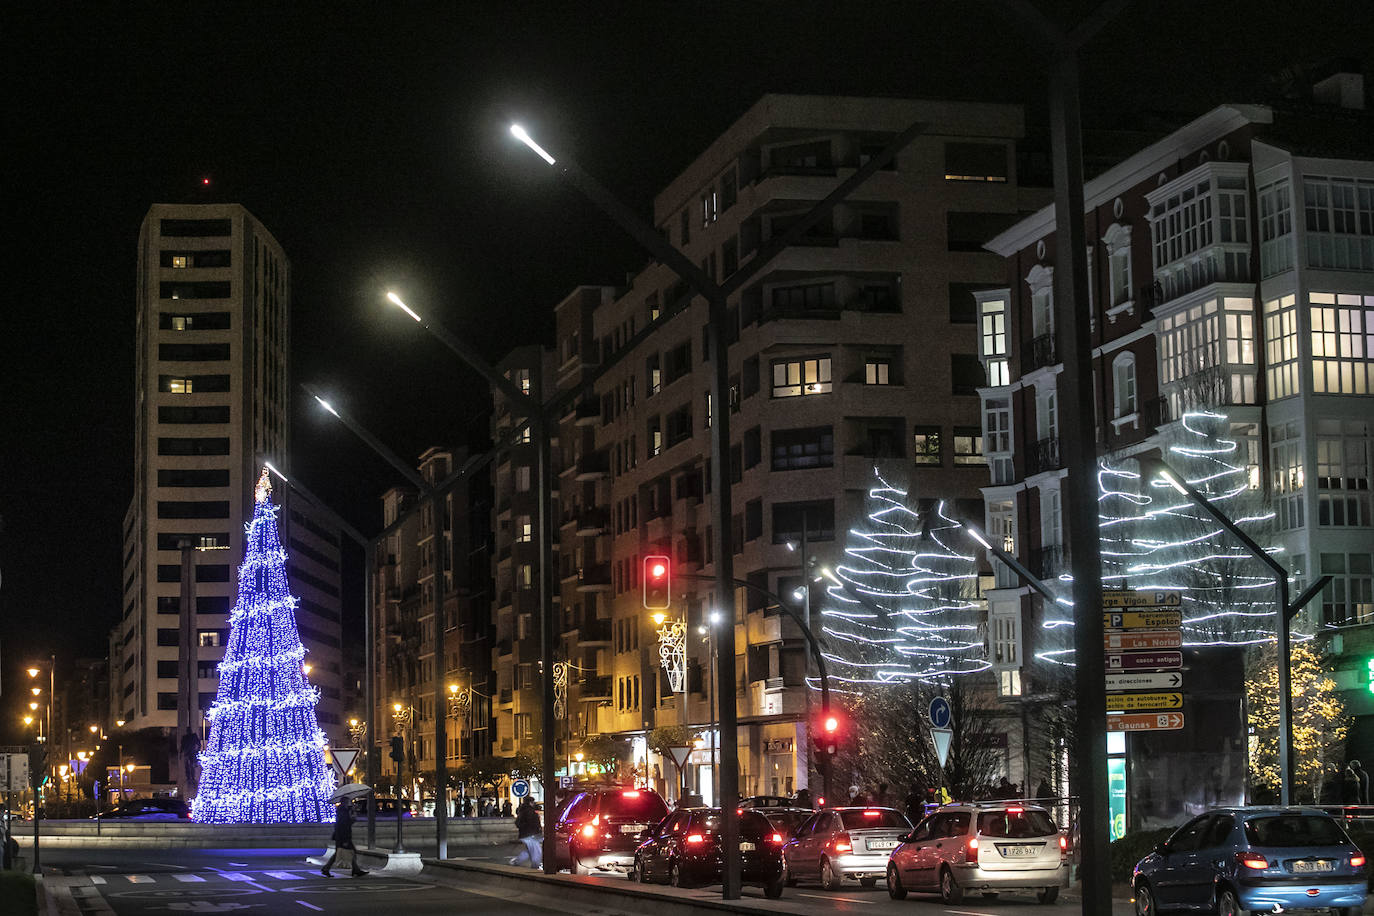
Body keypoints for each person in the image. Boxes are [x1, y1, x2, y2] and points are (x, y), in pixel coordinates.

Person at [322, 800, 367, 878]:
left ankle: (355, 870)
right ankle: (355, 870)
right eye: (348, 801)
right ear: (345, 802)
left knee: (345, 852)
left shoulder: (343, 811)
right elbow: (344, 826)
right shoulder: (343, 812)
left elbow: (345, 823)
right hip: (343, 837)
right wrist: (345, 840)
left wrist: (352, 815)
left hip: (341, 837)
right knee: (349, 852)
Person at [510, 797, 542, 868]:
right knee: (536, 851)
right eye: (533, 802)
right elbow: (533, 823)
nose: (534, 804)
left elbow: (518, 823)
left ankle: (516, 862)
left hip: (525, 834)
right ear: (530, 802)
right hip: (530, 835)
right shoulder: (530, 811)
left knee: (529, 851)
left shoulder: (523, 811)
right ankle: (535, 866)